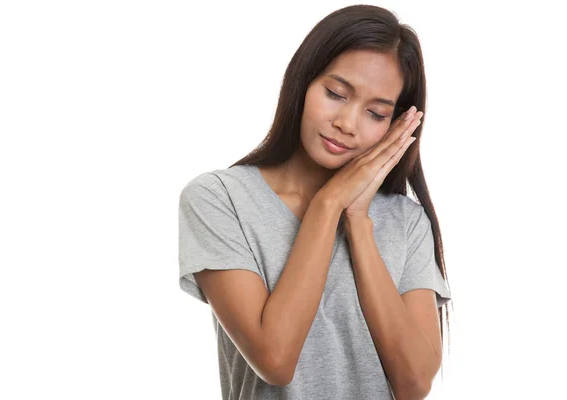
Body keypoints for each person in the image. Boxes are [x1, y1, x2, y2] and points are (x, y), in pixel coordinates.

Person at [178, 4, 452, 399]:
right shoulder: (219, 200)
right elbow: (274, 359)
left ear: (396, 125)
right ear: (302, 82)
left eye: (375, 113)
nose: (348, 123)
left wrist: (357, 220)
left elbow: (413, 385)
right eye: (336, 94)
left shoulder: (405, 222)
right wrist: (329, 204)